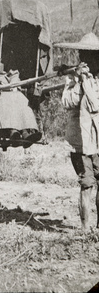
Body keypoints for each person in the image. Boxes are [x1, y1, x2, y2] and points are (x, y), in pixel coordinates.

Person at [56, 32, 99, 231]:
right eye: (85, 54)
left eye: (93, 55)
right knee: (86, 183)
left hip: (98, 140)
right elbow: (67, 102)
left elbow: (95, 105)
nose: (88, 59)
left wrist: (89, 83)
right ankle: (84, 228)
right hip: (81, 141)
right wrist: (80, 83)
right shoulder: (73, 79)